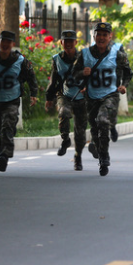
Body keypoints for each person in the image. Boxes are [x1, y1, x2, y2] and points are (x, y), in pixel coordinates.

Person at [72, 22, 133, 177]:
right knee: (94, 128)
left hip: (110, 95)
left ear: (110, 37)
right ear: (94, 36)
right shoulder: (84, 54)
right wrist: (82, 74)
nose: (101, 37)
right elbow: (73, 74)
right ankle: (100, 151)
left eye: (105, 35)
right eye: (99, 34)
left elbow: (128, 72)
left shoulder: (117, 55)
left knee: (103, 121)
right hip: (91, 97)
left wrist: (124, 85)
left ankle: (104, 158)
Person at [0, 30, 38, 172]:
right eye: (3, 41)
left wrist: (33, 93)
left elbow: (31, 76)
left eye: (8, 42)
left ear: (12, 44)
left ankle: (4, 156)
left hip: (12, 100)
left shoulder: (20, 60)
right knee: (0, 128)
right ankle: (8, 137)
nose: (5, 45)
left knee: (7, 126)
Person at [45, 30, 89, 171]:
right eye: (66, 41)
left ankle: (78, 157)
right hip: (65, 94)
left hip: (82, 97)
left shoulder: (84, 58)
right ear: (61, 43)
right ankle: (65, 140)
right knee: (63, 112)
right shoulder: (57, 59)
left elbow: (93, 76)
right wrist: (49, 98)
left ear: (76, 42)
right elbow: (54, 80)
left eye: (71, 41)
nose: (69, 44)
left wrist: (88, 86)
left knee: (80, 131)